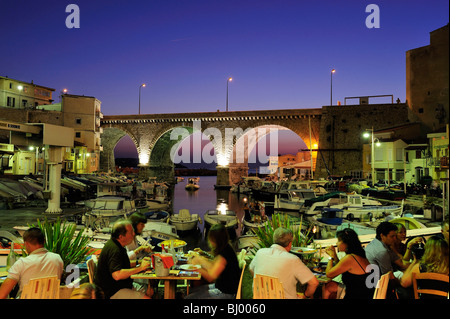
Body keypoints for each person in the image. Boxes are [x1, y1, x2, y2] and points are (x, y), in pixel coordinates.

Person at [249, 227, 319, 299]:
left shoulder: (260, 253)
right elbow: (314, 283)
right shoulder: (292, 260)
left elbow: (251, 269)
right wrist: (305, 295)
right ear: (290, 244)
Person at [94, 220, 152, 299]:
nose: (134, 234)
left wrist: (140, 262)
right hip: (111, 292)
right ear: (121, 236)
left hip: (118, 287)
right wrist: (140, 268)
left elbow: (122, 264)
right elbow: (117, 275)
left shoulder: (117, 245)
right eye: (131, 232)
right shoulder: (114, 250)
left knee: (148, 290)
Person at [0, 227, 64, 299]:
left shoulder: (22, 263)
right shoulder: (57, 259)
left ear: (26, 244)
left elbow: (2, 295)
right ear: (44, 241)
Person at [185, 224, 241, 299]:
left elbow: (211, 276)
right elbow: (213, 266)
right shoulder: (225, 248)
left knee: (189, 298)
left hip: (227, 293)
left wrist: (195, 267)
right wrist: (201, 259)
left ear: (216, 239)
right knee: (190, 291)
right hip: (220, 287)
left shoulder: (225, 254)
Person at [324, 228, 375, 299]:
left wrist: (331, 258)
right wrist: (335, 256)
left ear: (346, 243)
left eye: (339, 241)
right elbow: (342, 267)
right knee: (330, 286)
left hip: (356, 296)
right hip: (365, 293)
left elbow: (329, 274)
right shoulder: (359, 255)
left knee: (326, 287)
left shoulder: (350, 258)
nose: (337, 243)